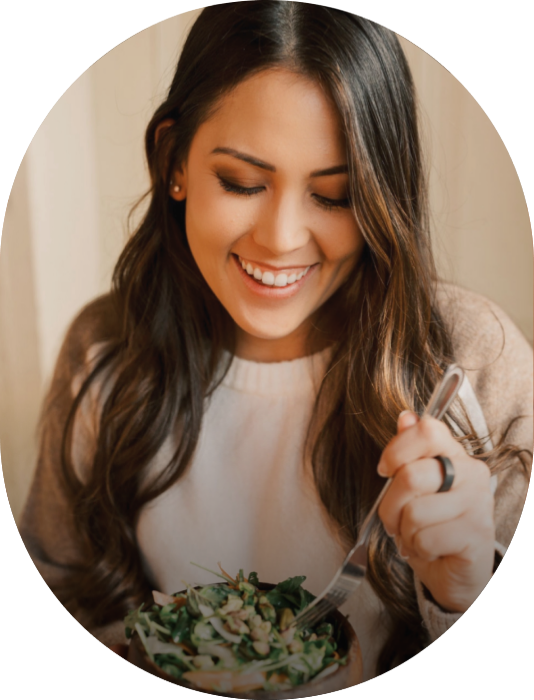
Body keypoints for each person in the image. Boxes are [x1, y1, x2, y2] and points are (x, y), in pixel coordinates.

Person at [19, 1, 532, 685]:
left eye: (336, 196)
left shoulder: (476, 362)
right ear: (173, 160)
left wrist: (464, 591)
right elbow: (49, 601)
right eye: (242, 182)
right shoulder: (104, 351)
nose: (281, 238)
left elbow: (509, 657)